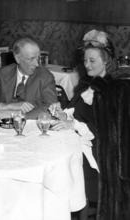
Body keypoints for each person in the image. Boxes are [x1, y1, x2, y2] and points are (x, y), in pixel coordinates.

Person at [50, 29, 117, 219]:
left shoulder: (112, 90)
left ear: (106, 61)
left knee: (60, 168)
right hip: (81, 144)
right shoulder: (86, 85)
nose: (86, 65)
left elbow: (107, 130)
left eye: (92, 61)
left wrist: (73, 126)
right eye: (85, 60)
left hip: (100, 155)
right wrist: (62, 113)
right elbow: (76, 112)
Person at [0, 37, 58, 119]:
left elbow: (52, 108)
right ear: (17, 58)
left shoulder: (45, 77)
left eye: (38, 58)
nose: (36, 64)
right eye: (31, 59)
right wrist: (6, 106)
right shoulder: (1, 74)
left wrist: (18, 116)